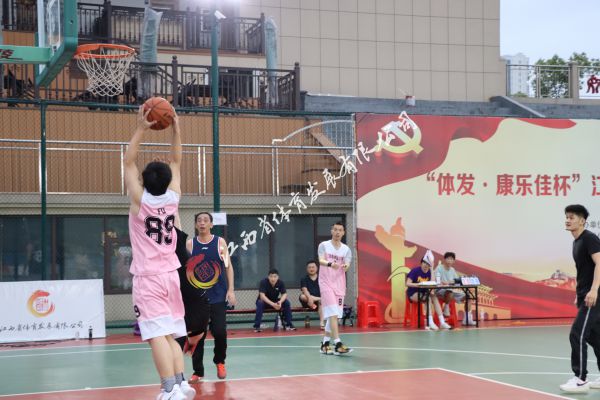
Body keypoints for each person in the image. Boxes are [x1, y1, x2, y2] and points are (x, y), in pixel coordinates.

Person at [125, 106, 194, 400]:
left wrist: (141, 128)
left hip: (149, 277)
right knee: (170, 333)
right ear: (167, 181)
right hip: (170, 275)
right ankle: (180, 383)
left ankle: (169, 389)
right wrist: (176, 128)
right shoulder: (173, 197)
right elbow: (176, 160)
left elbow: (128, 161)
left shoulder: (139, 201)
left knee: (156, 335)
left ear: (144, 181)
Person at [182, 212, 236, 382]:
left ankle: (220, 361)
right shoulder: (190, 245)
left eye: (206, 220)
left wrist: (231, 290)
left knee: (219, 331)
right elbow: (186, 271)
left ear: (211, 224)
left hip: (218, 295)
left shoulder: (220, 243)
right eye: (199, 220)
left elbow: (228, 266)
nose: (202, 223)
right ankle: (198, 371)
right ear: (196, 225)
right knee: (197, 335)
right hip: (197, 298)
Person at [560, 204, 600, 393]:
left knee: (577, 334)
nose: (568, 220)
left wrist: (594, 290)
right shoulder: (576, 242)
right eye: (567, 217)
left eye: (572, 217)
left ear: (582, 221)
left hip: (594, 296)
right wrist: (579, 293)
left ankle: (580, 379)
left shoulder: (589, 238)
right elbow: (584, 270)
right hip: (586, 295)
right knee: (594, 336)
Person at [318, 221, 352, 355]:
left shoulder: (346, 249)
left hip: (339, 285)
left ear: (343, 233)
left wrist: (345, 266)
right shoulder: (324, 245)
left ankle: (325, 344)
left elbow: (347, 265)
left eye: (340, 230)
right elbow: (321, 260)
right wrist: (330, 264)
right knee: (332, 313)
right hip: (326, 283)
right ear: (331, 231)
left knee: (335, 316)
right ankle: (338, 343)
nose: (337, 232)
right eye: (335, 229)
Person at [406, 250, 451, 331]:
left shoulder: (430, 271)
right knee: (428, 298)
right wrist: (419, 284)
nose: (425, 265)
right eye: (424, 263)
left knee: (434, 297)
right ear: (421, 263)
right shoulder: (415, 271)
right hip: (413, 293)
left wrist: (432, 269)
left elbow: (433, 283)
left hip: (425, 292)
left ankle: (442, 322)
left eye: (428, 264)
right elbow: (407, 283)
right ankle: (430, 322)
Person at [434, 252, 475, 325]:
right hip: (440, 290)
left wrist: (454, 282)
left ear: (454, 261)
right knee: (450, 292)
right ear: (444, 259)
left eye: (451, 259)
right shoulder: (439, 268)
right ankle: (446, 308)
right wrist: (446, 283)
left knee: (468, 297)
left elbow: (456, 281)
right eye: (448, 259)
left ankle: (467, 319)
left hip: (451, 291)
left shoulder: (452, 269)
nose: (449, 261)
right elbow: (437, 280)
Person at [300, 260, 324, 329]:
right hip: (307, 301)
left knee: (321, 302)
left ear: (317, 268)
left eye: (313, 267)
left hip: (318, 302)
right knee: (302, 296)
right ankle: (320, 299)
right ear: (307, 269)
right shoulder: (304, 279)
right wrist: (310, 299)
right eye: (309, 267)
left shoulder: (322, 278)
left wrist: (318, 299)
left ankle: (322, 322)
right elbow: (305, 290)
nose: (311, 269)